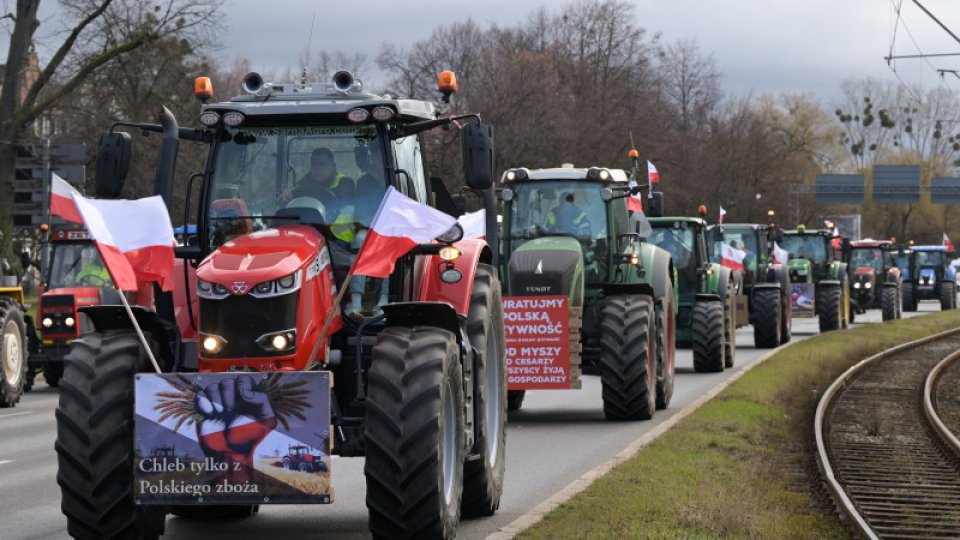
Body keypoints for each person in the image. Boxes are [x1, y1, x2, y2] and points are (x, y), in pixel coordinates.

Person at [281, 147, 353, 217]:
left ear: (333, 166)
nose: (317, 168)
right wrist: (288, 194)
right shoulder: (303, 184)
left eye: (322, 164)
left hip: (340, 227)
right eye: (313, 164)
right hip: (309, 227)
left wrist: (301, 190)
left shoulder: (346, 183)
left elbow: (335, 199)